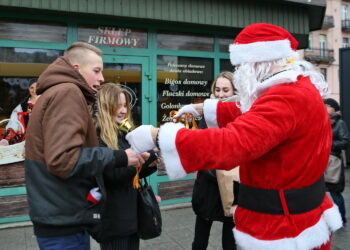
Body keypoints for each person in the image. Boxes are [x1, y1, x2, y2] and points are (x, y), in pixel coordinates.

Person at [125, 23, 343, 250]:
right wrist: (202, 109)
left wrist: (157, 135)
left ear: (258, 62)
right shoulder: (296, 88)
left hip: (284, 229)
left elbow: (233, 142)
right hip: (298, 216)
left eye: (242, 66)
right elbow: (254, 112)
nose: (239, 72)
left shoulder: (285, 96)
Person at [24, 42, 146, 250]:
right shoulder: (67, 93)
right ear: (76, 70)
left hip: (60, 216)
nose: (102, 78)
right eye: (96, 71)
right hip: (63, 222)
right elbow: (63, 160)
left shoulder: (58, 91)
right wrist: (120, 157)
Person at [94, 82, 159, 250]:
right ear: (107, 107)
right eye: (118, 106)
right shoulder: (98, 136)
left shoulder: (123, 132)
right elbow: (112, 176)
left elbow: (130, 173)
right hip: (113, 219)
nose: (123, 110)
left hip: (130, 215)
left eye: (125, 105)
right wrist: (140, 158)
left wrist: (149, 162)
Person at [191, 72, 238, 250]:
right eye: (217, 89)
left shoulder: (240, 114)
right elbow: (201, 148)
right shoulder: (207, 113)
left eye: (226, 90)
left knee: (230, 242)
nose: (220, 94)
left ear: (235, 90)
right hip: (207, 187)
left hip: (232, 188)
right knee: (199, 241)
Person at [324, 98, 349, 225]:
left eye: (328, 106)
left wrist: (328, 144)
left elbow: (345, 142)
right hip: (320, 161)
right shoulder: (321, 121)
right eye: (324, 105)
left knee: (335, 193)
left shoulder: (340, 123)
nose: (325, 107)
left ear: (334, 108)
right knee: (319, 194)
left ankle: (341, 219)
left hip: (333, 162)